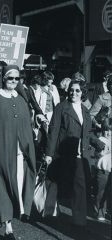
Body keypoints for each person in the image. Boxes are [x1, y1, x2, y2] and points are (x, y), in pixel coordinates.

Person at [45, 80, 105, 228]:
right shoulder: (61, 108)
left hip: (80, 154)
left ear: (83, 92)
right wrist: (49, 154)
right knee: (57, 184)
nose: (74, 93)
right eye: (72, 90)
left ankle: (79, 220)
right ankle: (50, 214)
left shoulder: (85, 110)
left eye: (78, 91)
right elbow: (54, 131)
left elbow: (88, 133)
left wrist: (99, 144)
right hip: (63, 153)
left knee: (80, 186)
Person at [0, 65, 36, 240]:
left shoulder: (21, 100)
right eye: (10, 78)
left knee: (20, 183)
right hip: (2, 153)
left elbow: (26, 126)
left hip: (21, 153)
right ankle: (8, 227)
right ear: (3, 79)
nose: (14, 82)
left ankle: (22, 210)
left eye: (17, 78)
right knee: (4, 185)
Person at [93, 118, 111, 221]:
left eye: (110, 130)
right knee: (100, 192)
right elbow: (96, 153)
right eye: (106, 130)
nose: (108, 133)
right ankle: (99, 211)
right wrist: (101, 153)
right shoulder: (100, 140)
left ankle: (107, 211)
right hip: (102, 171)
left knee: (108, 193)